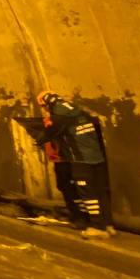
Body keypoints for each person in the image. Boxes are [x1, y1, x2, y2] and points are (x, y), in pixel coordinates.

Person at [37, 91, 114, 238]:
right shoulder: (79, 111)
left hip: (80, 158)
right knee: (100, 191)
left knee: (86, 191)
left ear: (48, 103)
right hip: (97, 157)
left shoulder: (59, 116)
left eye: (43, 106)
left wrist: (43, 132)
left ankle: (97, 227)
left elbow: (46, 136)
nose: (44, 110)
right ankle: (107, 224)